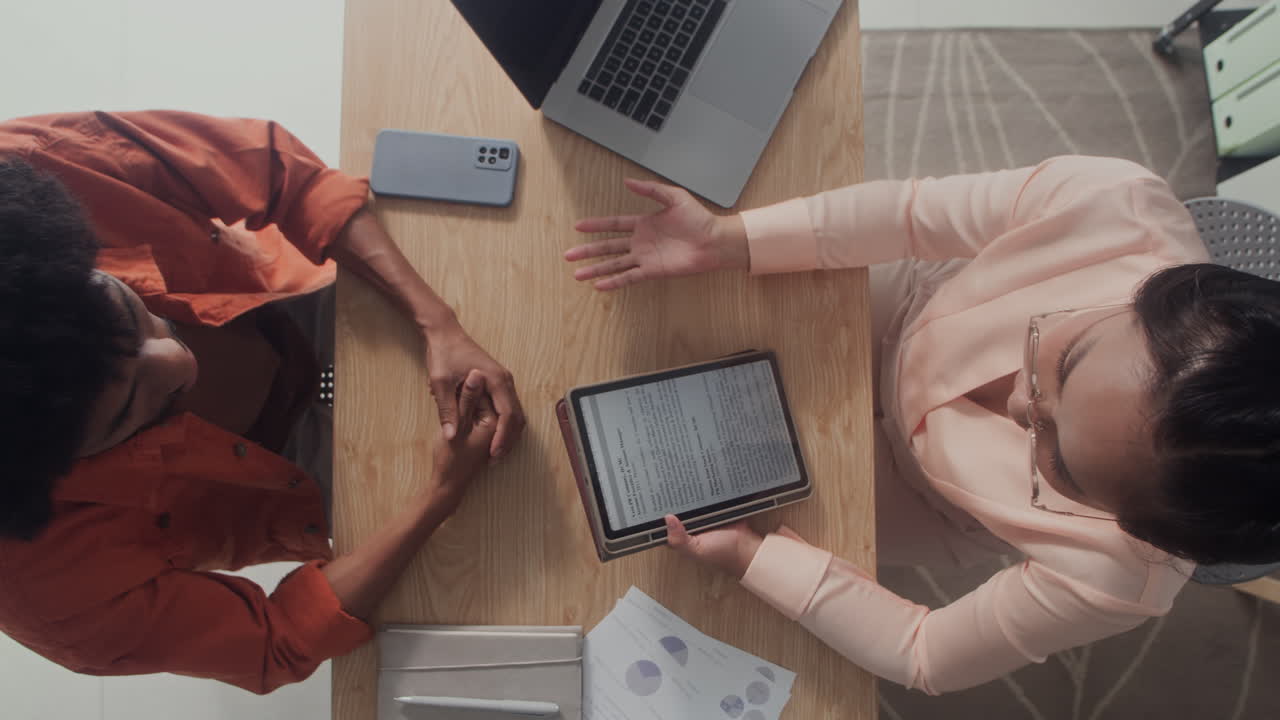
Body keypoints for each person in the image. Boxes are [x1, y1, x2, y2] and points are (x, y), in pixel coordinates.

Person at [564, 157, 1280, 694]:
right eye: (1066, 360)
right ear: (1154, 293)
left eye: (1059, 463)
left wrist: (755, 559)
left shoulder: (1124, 580)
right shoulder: (1114, 207)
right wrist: (732, 241)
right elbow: (911, 215)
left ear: (1138, 527)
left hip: (924, 502)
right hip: (903, 317)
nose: (1020, 409)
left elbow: (924, 652)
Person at [0, 111, 525, 693]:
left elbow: (279, 175)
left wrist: (437, 321)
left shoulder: (31, 168)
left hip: (290, 296)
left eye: (126, 313)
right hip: (289, 482)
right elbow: (276, 637)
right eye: (129, 412)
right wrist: (440, 495)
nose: (180, 363)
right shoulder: (43, 590)